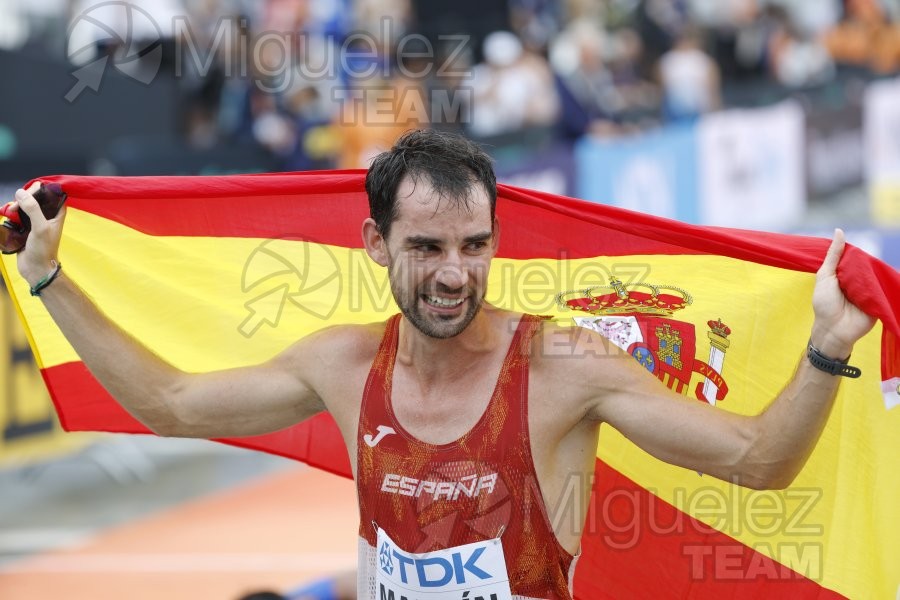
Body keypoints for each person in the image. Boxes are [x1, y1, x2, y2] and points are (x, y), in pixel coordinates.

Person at [10, 130, 874, 599]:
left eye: (475, 244)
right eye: (427, 247)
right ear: (375, 244)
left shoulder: (563, 365)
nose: (455, 273)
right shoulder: (345, 362)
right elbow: (171, 403)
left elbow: (760, 460)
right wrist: (49, 278)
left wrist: (827, 345)